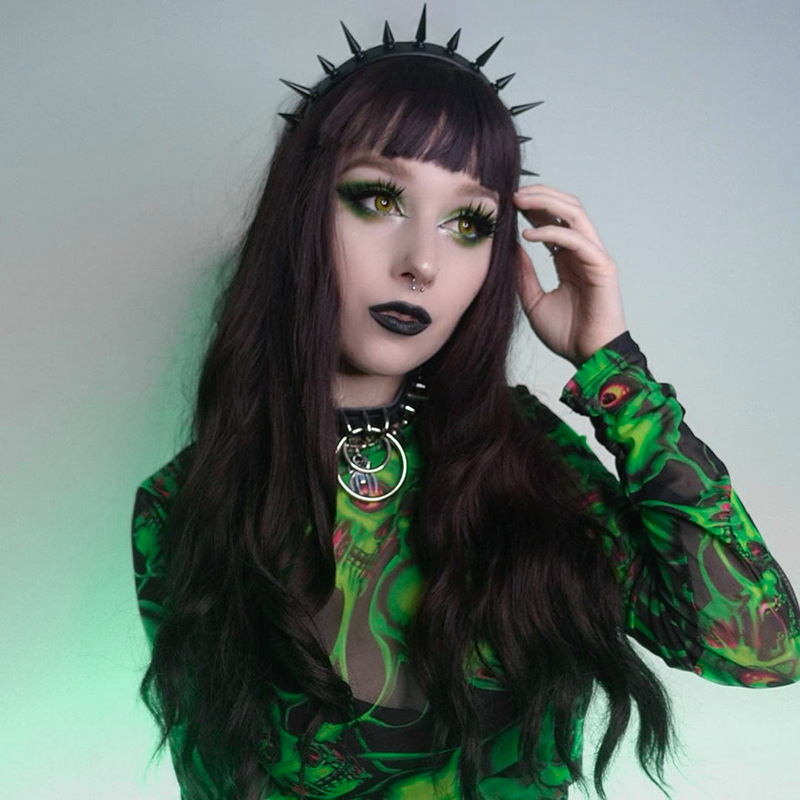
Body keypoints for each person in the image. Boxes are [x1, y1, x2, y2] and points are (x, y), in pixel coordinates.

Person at [131, 7, 800, 799]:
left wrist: (615, 372)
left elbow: (763, 650)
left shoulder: (528, 462)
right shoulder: (182, 506)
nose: (422, 262)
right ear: (301, 214)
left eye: (469, 222)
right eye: (379, 199)